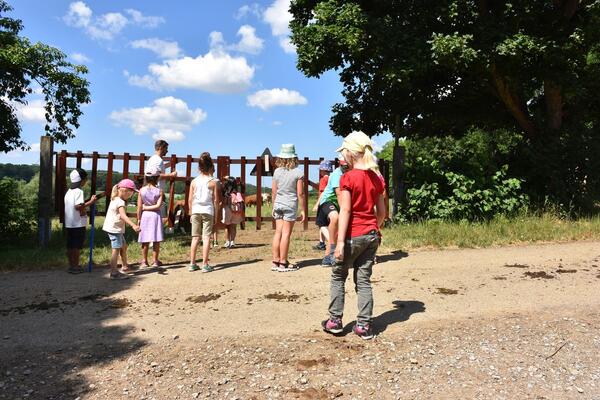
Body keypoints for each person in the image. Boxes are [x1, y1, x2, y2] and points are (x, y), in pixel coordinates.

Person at [322, 131, 386, 340]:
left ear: (350, 153)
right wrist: (374, 229)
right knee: (364, 280)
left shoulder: (347, 177)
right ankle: (364, 326)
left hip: (351, 235)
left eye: (344, 152)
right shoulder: (376, 178)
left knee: (338, 276)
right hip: (370, 235)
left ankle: (335, 321)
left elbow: (345, 211)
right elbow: (383, 212)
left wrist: (338, 244)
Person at [271, 144, 305, 272]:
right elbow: (300, 193)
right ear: (294, 157)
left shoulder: (277, 171)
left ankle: (275, 260)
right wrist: (303, 210)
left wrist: (274, 206)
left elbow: (274, 192)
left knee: (278, 232)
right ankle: (283, 262)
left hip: (278, 204)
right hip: (290, 205)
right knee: (286, 234)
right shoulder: (298, 172)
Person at [102, 179, 141, 280]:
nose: (131, 195)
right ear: (124, 190)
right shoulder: (120, 202)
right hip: (115, 229)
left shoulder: (115, 198)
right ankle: (114, 273)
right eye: (131, 192)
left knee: (123, 246)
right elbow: (123, 215)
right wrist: (133, 225)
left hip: (115, 228)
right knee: (116, 250)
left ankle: (125, 267)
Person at [189, 152, 221, 272]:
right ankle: (205, 264)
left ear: (199, 167)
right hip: (208, 210)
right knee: (206, 237)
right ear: (211, 166)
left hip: (196, 210)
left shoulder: (194, 181)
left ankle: (192, 263)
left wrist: (191, 213)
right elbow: (216, 200)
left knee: (195, 237)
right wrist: (216, 215)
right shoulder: (213, 182)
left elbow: (190, 200)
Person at [314, 157, 348, 267]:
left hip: (337, 204)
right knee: (335, 217)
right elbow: (338, 194)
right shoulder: (336, 174)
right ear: (339, 164)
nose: (346, 168)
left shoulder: (349, 173)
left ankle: (327, 257)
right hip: (327, 201)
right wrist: (344, 210)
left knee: (337, 230)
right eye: (344, 166)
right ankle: (332, 249)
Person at [64, 168, 97, 274]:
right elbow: (78, 206)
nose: (86, 181)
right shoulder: (79, 191)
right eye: (85, 179)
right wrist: (91, 202)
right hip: (77, 223)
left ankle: (71, 265)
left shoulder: (69, 191)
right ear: (81, 180)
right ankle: (76, 266)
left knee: (70, 245)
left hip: (70, 222)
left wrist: (84, 206)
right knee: (76, 246)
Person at [137, 168, 164, 268]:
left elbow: (139, 207)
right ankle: (155, 261)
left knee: (145, 238)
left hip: (145, 216)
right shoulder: (159, 191)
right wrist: (149, 207)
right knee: (156, 239)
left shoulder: (141, 191)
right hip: (155, 216)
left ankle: (144, 261)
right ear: (157, 178)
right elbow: (158, 206)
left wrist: (139, 218)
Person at [145, 140, 177, 221]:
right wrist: (171, 175)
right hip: (157, 191)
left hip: (152, 191)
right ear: (160, 148)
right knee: (158, 216)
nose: (167, 151)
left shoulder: (153, 159)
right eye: (166, 148)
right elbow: (156, 176)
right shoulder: (158, 160)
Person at [313, 160, 333, 251]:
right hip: (332, 203)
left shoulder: (323, 180)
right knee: (328, 224)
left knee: (321, 223)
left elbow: (322, 193)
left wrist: (317, 204)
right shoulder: (332, 178)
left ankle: (329, 242)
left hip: (324, 203)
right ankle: (321, 242)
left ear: (323, 170)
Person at [220, 176, 244, 248]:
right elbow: (241, 202)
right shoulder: (237, 193)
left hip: (227, 210)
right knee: (233, 226)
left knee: (227, 226)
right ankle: (232, 242)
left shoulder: (226, 194)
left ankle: (227, 242)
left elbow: (224, 203)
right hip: (236, 211)